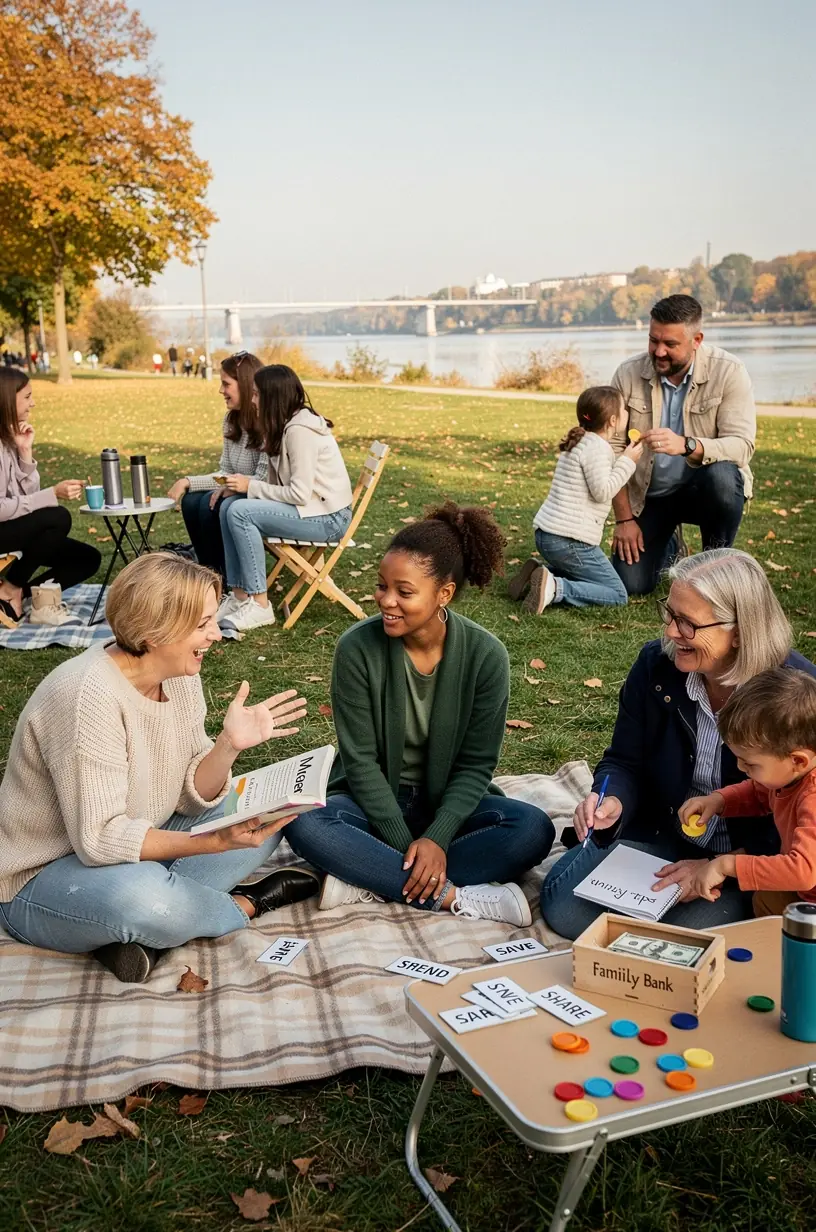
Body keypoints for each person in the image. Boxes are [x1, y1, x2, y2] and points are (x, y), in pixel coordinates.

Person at [0, 553, 319, 984]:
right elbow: (99, 840)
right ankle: (244, 905)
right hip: (42, 875)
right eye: (203, 623)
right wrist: (212, 844)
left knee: (267, 814)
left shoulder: (180, 673)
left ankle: (139, 935)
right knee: (142, 898)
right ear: (156, 630)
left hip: (141, 835)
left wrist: (227, 746)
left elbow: (192, 796)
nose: (216, 634)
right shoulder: (86, 697)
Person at [284, 503, 555, 923]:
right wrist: (404, 841)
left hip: (447, 803)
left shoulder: (486, 656)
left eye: (404, 592)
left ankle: (367, 877)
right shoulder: (356, 650)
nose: (386, 601)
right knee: (304, 821)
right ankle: (453, 896)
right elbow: (360, 762)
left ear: (443, 593)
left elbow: (476, 764)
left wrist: (438, 837)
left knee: (533, 830)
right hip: (372, 802)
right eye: (381, 586)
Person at [540, 548, 816, 939]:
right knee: (566, 909)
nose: (670, 631)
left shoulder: (797, 698)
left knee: (670, 938)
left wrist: (722, 865)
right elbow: (622, 759)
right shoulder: (656, 665)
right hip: (663, 834)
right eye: (669, 614)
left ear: (739, 631)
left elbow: (798, 828)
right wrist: (612, 799)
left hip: (751, 860)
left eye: (687, 624)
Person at [609, 294, 756, 597]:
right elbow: (610, 450)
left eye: (670, 345)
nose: (658, 351)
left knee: (724, 477)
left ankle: (715, 567)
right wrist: (624, 519)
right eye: (653, 340)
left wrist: (687, 445)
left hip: (705, 491)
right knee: (630, 585)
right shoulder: (627, 373)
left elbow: (742, 446)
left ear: (697, 340)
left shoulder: (729, 370)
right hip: (651, 496)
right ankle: (669, 544)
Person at [218, 365, 353, 632]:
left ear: (272, 397)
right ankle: (239, 596)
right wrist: (241, 487)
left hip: (328, 518)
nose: (252, 400)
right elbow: (277, 484)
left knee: (240, 511)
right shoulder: (283, 425)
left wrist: (251, 487)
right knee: (229, 506)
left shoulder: (299, 431)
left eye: (256, 395)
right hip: (312, 510)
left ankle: (260, 605)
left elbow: (299, 494)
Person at [675, 668, 816, 916]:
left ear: (798, 761)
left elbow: (802, 871)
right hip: (804, 894)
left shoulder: (812, 799)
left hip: (808, 894)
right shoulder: (789, 776)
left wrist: (727, 865)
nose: (741, 768)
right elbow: (759, 792)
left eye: (750, 764)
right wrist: (718, 800)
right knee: (766, 901)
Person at [508, 386, 642, 611]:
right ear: (612, 421)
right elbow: (603, 491)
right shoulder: (598, 448)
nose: (627, 414)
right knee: (617, 593)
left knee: (592, 576)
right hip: (569, 542)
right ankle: (555, 588)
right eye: (624, 410)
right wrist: (628, 461)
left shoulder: (581, 441)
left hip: (548, 536)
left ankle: (539, 574)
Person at [0, 367, 100, 624]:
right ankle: (10, 586)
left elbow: (29, 500)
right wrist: (52, 494)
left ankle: (18, 593)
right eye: (27, 396)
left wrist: (24, 452)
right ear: (8, 399)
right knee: (58, 517)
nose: (33, 402)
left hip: (11, 530)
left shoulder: (9, 438)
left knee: (88, 559)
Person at [167, 351, 265, 582]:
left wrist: (233, 486)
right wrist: (188, 481)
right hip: (237, 489)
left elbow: (265, 477)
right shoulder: (231, 420)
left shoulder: (266, 422)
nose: (221, 391)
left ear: (245, 385)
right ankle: (207, 571)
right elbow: (224, 472)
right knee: (192, 499)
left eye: (226, 384)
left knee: (209, 505)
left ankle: (223, 579)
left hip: (261, 493)